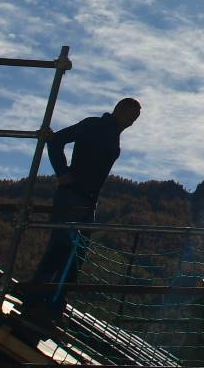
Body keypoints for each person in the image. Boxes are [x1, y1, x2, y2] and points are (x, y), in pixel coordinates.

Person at [21, 97, 141, 319]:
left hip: (87, 200)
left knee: (76, 254)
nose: (132, 122)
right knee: (60, 248)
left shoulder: (112, 133)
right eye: (131, 116)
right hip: (74, 195)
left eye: (135, 118)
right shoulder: (94, 125)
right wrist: (63, 173)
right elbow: (57, 140)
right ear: (119, 110)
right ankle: (36, 300)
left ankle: (54, 302)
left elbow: (57, 140)